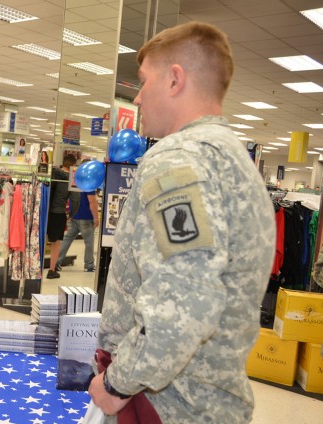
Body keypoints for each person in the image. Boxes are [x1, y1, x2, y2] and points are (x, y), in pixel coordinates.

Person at [87, 22, 276, 423]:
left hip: (163, 404)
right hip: (210, 400)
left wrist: (117, 383)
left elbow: (185, 299)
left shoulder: (178, 159)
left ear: (174, 79)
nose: (137, 97)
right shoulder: (234, 159)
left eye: (143, 81)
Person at [56, 160, 99, 272]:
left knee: (67, 240)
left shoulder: (75, 180)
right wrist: (96, 217)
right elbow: (92, 202)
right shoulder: (89, 182)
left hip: (73, 215)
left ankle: (56, 262)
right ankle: (89, 265)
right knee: (89, 242)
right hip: (86, 217)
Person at [45, 154, 79, 279]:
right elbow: (75, 199)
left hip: (46, 212)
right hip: (58, 214)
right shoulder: (71, 178)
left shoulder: (53, 173)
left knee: (43, 240)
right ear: (73, 165)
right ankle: (52, 270)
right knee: (56, 243)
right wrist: (71, 214)